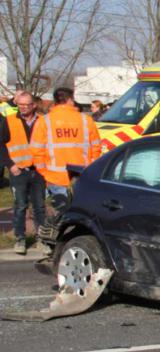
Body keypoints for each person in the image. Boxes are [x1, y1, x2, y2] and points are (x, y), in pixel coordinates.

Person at [31, 88, 101, 248]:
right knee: (80, 214)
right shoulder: (85, 120)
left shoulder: (45, 121)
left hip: (55, 177)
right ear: (70, 100)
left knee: (60, 211)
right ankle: (73, 243)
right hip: (80, 176)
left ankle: (53, 244)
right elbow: (96, 148)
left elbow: (36, 150)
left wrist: (44, 172)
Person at [0, 92, 45, 254]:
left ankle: (42, 238)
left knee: (39, 206)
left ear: (33, 105)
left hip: (39, 170)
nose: (23, 108)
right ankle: (20, 239)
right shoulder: (10, 120)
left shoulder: (42, 121)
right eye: (20, 105)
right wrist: (11, 165)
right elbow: (1, 145)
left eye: (26, 105)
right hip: (18, 170)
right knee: (20, 206)